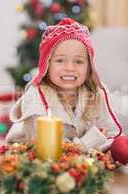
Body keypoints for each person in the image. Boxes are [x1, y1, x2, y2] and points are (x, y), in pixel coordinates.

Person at [6, 18, 123, 152]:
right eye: (60, 60)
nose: (70, 68)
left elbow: (112, 132)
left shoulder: (96, 92)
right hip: (33, 152)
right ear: (47, 65)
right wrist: (93, 139)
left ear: (89, 67)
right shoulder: (36, 98)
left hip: (81, 156)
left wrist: (109, 143)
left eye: (78, 61)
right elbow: (49, 151)